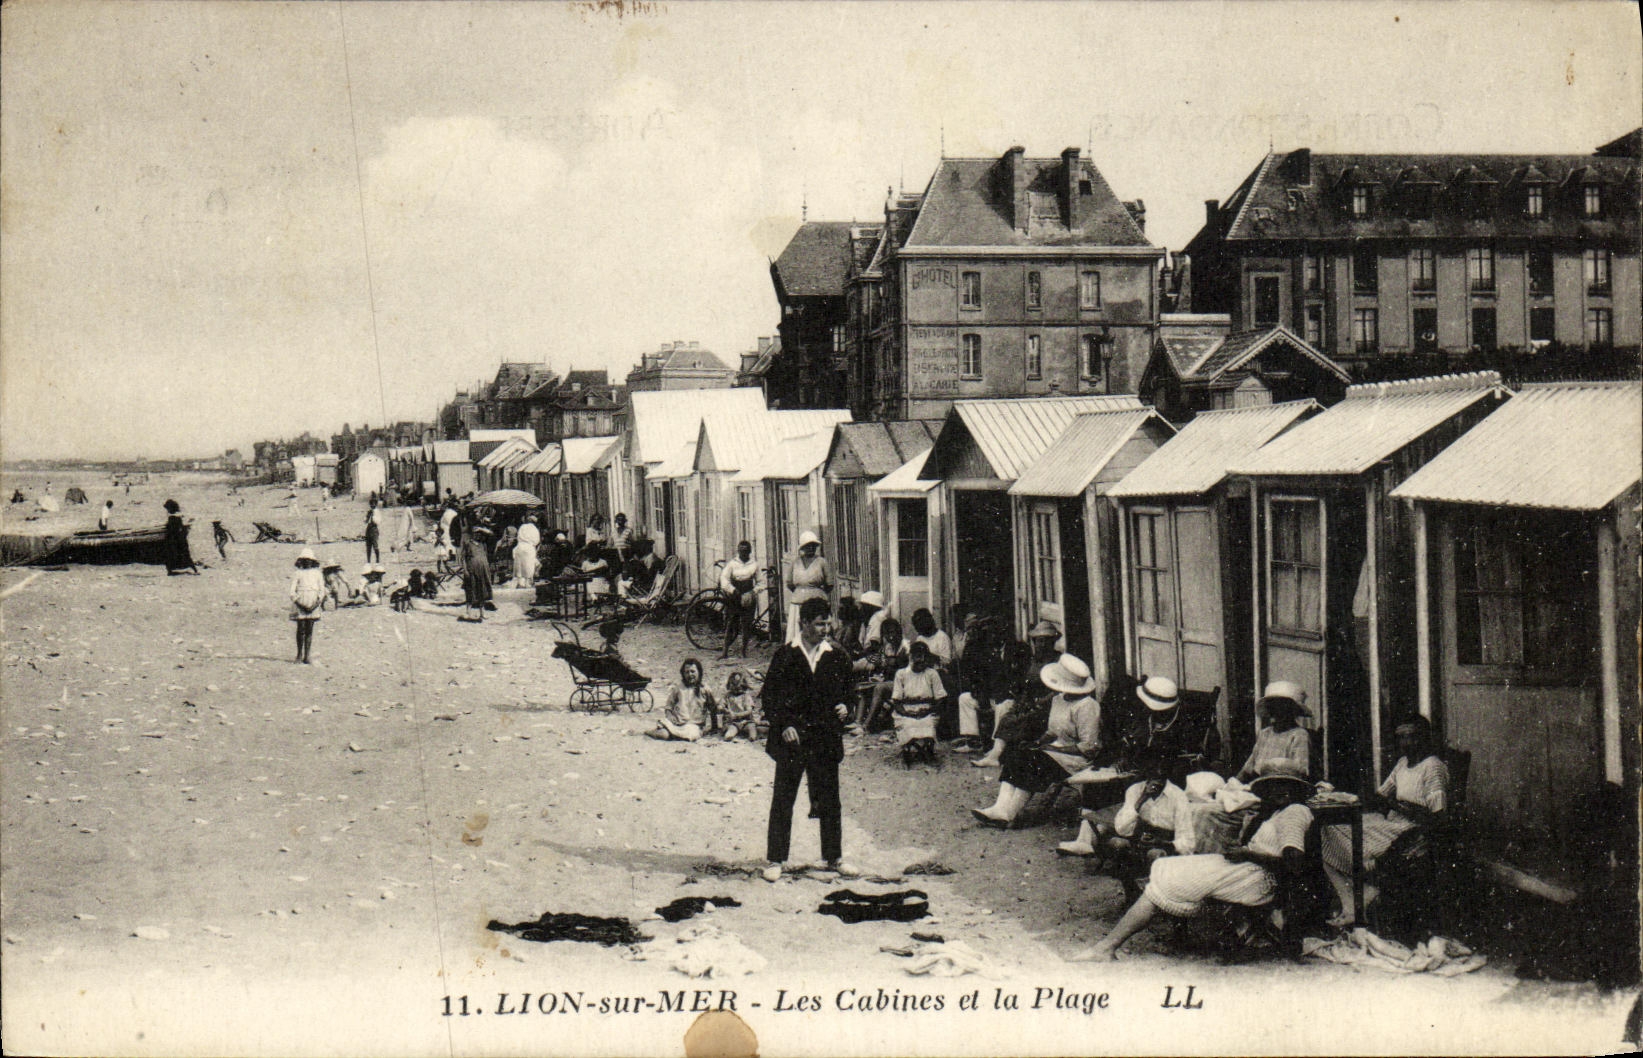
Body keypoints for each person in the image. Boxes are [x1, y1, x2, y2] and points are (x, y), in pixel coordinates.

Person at [1074, 769, 1316, 961]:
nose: (1271, 793)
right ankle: (1109, 946)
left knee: (1173, 875)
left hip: (1260, 880)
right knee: (1168, 868)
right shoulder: (1281, 812)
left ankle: (1107, 947)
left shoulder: (1295, 813)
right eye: (1270, 787)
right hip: (1249, 871)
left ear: (1289, 791)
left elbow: (1294, 863)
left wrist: (1247, 854)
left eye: (1277, 787)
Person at [761, 597, 857, 882]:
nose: (825, 629)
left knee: (830, 798)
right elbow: (770, 697)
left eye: (828, 623)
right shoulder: (786, 655)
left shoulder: (836, 655)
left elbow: (850, 691)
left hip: (825, 736)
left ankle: (833, 857)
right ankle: (776, 859)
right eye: (819, 623)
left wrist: (846, 707)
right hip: (793, 739)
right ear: (803, 622)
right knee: (784, 798)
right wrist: (784, 724)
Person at [1322, 716, 1450, 927]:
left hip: (1410, 830)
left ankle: (1359, 897)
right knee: (1327, 830)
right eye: (1401, 738)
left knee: (1343, 838)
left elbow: (1437, 816)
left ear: (1425, 738)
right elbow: (1382, 795)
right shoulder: (1402, 764)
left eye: (1412, 737)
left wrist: (1395, 804)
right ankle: (1353, 898)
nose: (1406, 743)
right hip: (1391, 820)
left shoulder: (1433, 767)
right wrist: (1342, 797)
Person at [971, 653, 1101, 828]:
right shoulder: (1058, 700)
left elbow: (1088, 747)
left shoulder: (1087, 705)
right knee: (1017, 754)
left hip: (1075, 759)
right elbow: (1052, 732)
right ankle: (999, 807)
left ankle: (1009, 814)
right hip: (1053, 751)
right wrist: (1038, 743)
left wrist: (1052, 750)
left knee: (1033, 761)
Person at [1058, 749, 1193, 861]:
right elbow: (1122, 828)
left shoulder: (1178, 796)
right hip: (1140, 840)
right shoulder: (1135, 790)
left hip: (1164, 844)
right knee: (1116, 844)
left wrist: (1162, 843)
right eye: (1152, 771)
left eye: (1161, 773)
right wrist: (1141, 799)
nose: (1156, 777)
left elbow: (1188, 842)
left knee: (1155, 854)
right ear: (1145, 772)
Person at [971, 620, 1062, 768]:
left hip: (1051, 705)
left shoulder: (1059, 661)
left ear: (1053, 642)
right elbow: (1026, 686)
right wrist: (1022, 701)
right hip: (1032, 702)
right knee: (1009, 714)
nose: (1042, 645)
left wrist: (1041, 701)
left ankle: (1000, 754)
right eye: (1039, 641)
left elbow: (1060, 690)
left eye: (1046, 641)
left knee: (1022, 720)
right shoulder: (1033, 662)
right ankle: (995, 754)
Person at [1110, 676, 1224, 785]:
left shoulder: (1186, 724)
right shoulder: (1146, 718)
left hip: (1172, 780)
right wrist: (1124, 757)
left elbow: (1177, 763)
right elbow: (1133, 742)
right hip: (1143, 776)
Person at [1235, 681, 1313, 781]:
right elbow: (1248, 769)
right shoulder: (1265, 734)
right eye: (1270, 706)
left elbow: (1300, 772)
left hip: (1284, 788)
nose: (1273, 711)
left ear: (1291, 710)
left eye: (1279, 707)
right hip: (1259, 786)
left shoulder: (1298, 735)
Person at [953, 611, 1002, 752]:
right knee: (965, 699)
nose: (991, 635)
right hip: (985, 696)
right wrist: (980, 693)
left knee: (1002, 706)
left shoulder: (1005, 649)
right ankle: (973, 741)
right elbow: (975, 676)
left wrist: (987, 695)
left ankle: (997, 745)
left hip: (999, 697)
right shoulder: (977, 649)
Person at [891, 641, 945, 766]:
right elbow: (896, 700)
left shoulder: (932, 674)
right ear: (910, 657)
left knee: (928, 724)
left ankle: (927, 750)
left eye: (924, 657)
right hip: (906, 710)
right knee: (908, 724)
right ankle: (907, 750)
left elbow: (940, 698)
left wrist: (927, 711)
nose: (921, 660)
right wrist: (906, 713)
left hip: (927, 709)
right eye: (917, 657)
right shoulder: (901, 674)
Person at [854, 616, 908, 731]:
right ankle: (858, 722)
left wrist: (888, 666)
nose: (890, 636)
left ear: (899, 631)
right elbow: (881, 663)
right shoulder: (889, 647)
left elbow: (902, 669)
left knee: (879, 688)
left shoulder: (905, 646)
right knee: (863, 687)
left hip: (904, 682)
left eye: (892, 632)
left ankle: (866, 725)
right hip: (892, 680)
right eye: (886, 634)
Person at [782, 531, 832, 646]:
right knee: (798, 630)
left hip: (817, 602)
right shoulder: (795, 562)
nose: (810, 548)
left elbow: (829, 584)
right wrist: (801, 592)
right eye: (807, 546)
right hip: (798, 602)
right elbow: (789, 583)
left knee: (817, 628)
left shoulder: (822, 562)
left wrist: (819, 595)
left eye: (813, 545)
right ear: (802, 547)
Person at [650, 658, 717, 741]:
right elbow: (668, 706)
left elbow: (713, 709)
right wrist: (670, 716)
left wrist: (715, 727)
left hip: (694, 725)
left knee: (691, 734)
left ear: (699, 672)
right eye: (687, 672)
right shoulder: (678, 688)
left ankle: (674, 735)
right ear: (683, 674)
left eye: (693, 671)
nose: (690, 674)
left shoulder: (705, 689)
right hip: (677, 723)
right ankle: (649, 732)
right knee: (664, 735)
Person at [719, 540, 760, 659]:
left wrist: (753, 592)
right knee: (731, 623)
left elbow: (761, 582)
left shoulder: (754, 565)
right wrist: (732, 590)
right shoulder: (732, 564)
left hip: (748, 595)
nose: (744, 553)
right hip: (735, 596)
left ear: (750, 551)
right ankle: (725, 651)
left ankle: (743, 651)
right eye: (741, 551)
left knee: (747, 624)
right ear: (738, 551)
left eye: (746, 551)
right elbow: (724, 579)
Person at [288, 548, 325, 664]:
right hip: (301, 603)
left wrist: (316, 604)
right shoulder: (298, 573)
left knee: (310, 629)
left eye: (309, 560)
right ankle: (299, 654)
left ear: (313, 561)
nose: (307, 562)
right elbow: (292, 592)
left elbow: (322, 591)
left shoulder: (318, 574)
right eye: (305, 560)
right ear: (301, 561)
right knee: (301, 629)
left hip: (313, 603)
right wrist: (300, 604)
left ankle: (307, 655)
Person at [461, 508, 496, 622]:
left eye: (479, 534)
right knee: (471, 591)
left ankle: (482, 613)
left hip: (483, 570)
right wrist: (465, 570)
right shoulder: (468, 544)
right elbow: (463, 558)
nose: (477, 536)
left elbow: (492, 534)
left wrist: (482, 529)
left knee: (482, 591)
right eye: (476, 533)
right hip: (472, 569)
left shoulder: (483, 544)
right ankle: (468, 612)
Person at [721, 670, 764, 741]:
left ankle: (751, 736)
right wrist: (723, 708)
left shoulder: (745, 696)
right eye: (733, 686)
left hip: (746, 721)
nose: (735, 689)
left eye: (738, 686)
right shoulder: (728, 696)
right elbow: (721, 705)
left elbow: (749, 711)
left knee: (752, 730)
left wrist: (737, 715)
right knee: (729, 734)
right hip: (734, 722)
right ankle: (732, 734)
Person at [162, 499, 199, 575]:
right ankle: (194, 569)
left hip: (173, 539)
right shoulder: (178, 518)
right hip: (180, 539)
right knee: (185, 554)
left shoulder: (172, 518)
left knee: (169, 554)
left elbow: (171, 529)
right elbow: (181, 528)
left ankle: (170, 571)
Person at [512, 514, 541, 587]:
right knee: (529, 565)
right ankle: (528, 583)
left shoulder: (522, 527)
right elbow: (537, 541)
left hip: (520, 546)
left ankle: (520, 582)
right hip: (529, 547)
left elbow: (518, 536)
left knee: (520, 565)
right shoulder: (535, 529)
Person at [364, 497, 382, 564]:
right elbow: (365, 521)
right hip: (368, 529)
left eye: (374, 504)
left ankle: (377, 559)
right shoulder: (369, 511)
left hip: (374, 529)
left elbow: (377, 522)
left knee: (375, 545)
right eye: (371, 504)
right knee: (368, 545)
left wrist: (373, 515)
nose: (372, 506)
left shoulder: (377, 512)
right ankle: (368, 560)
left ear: (376, 505)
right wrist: (368, 516)